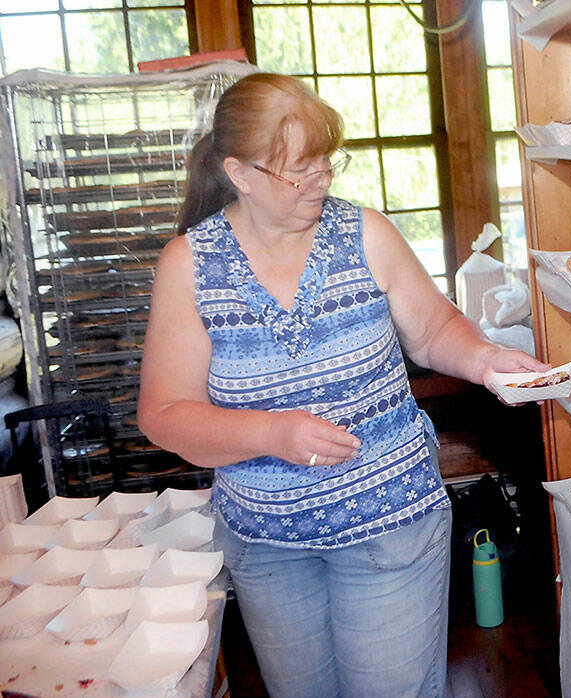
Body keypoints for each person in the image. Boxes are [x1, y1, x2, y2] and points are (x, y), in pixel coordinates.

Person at [137, 73, 548, 698]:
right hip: (267, 543)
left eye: (326, 163)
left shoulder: (364, 234)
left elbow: (435, 329)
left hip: (390, 523)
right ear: (240, 174)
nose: (320, 183)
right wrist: (271, 432)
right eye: (297, 171)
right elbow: (165, 414)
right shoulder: (189, 264)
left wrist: (486, 359)